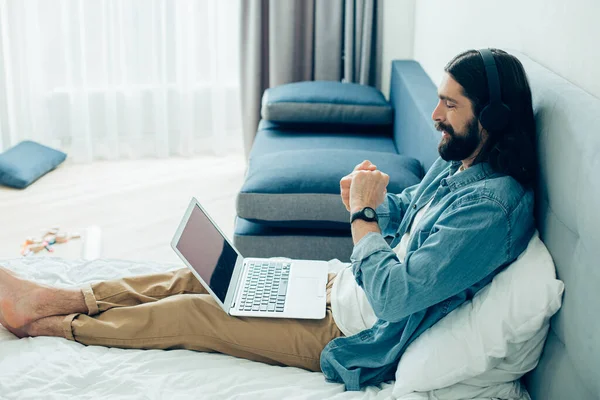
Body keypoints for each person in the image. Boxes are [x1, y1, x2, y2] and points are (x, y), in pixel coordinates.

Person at [0, 49, 537, 391]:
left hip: (349, 330)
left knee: (195, 314)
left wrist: (366, 216)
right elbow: (411, 218)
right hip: (336, 286)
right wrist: (368, 198)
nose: (435, 116)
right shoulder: (462, 167)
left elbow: (395, 297)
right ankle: (57, 298)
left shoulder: (491, 211)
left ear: (491, 118)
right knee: (204, 276)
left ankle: (51, 326)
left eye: (449, 104)